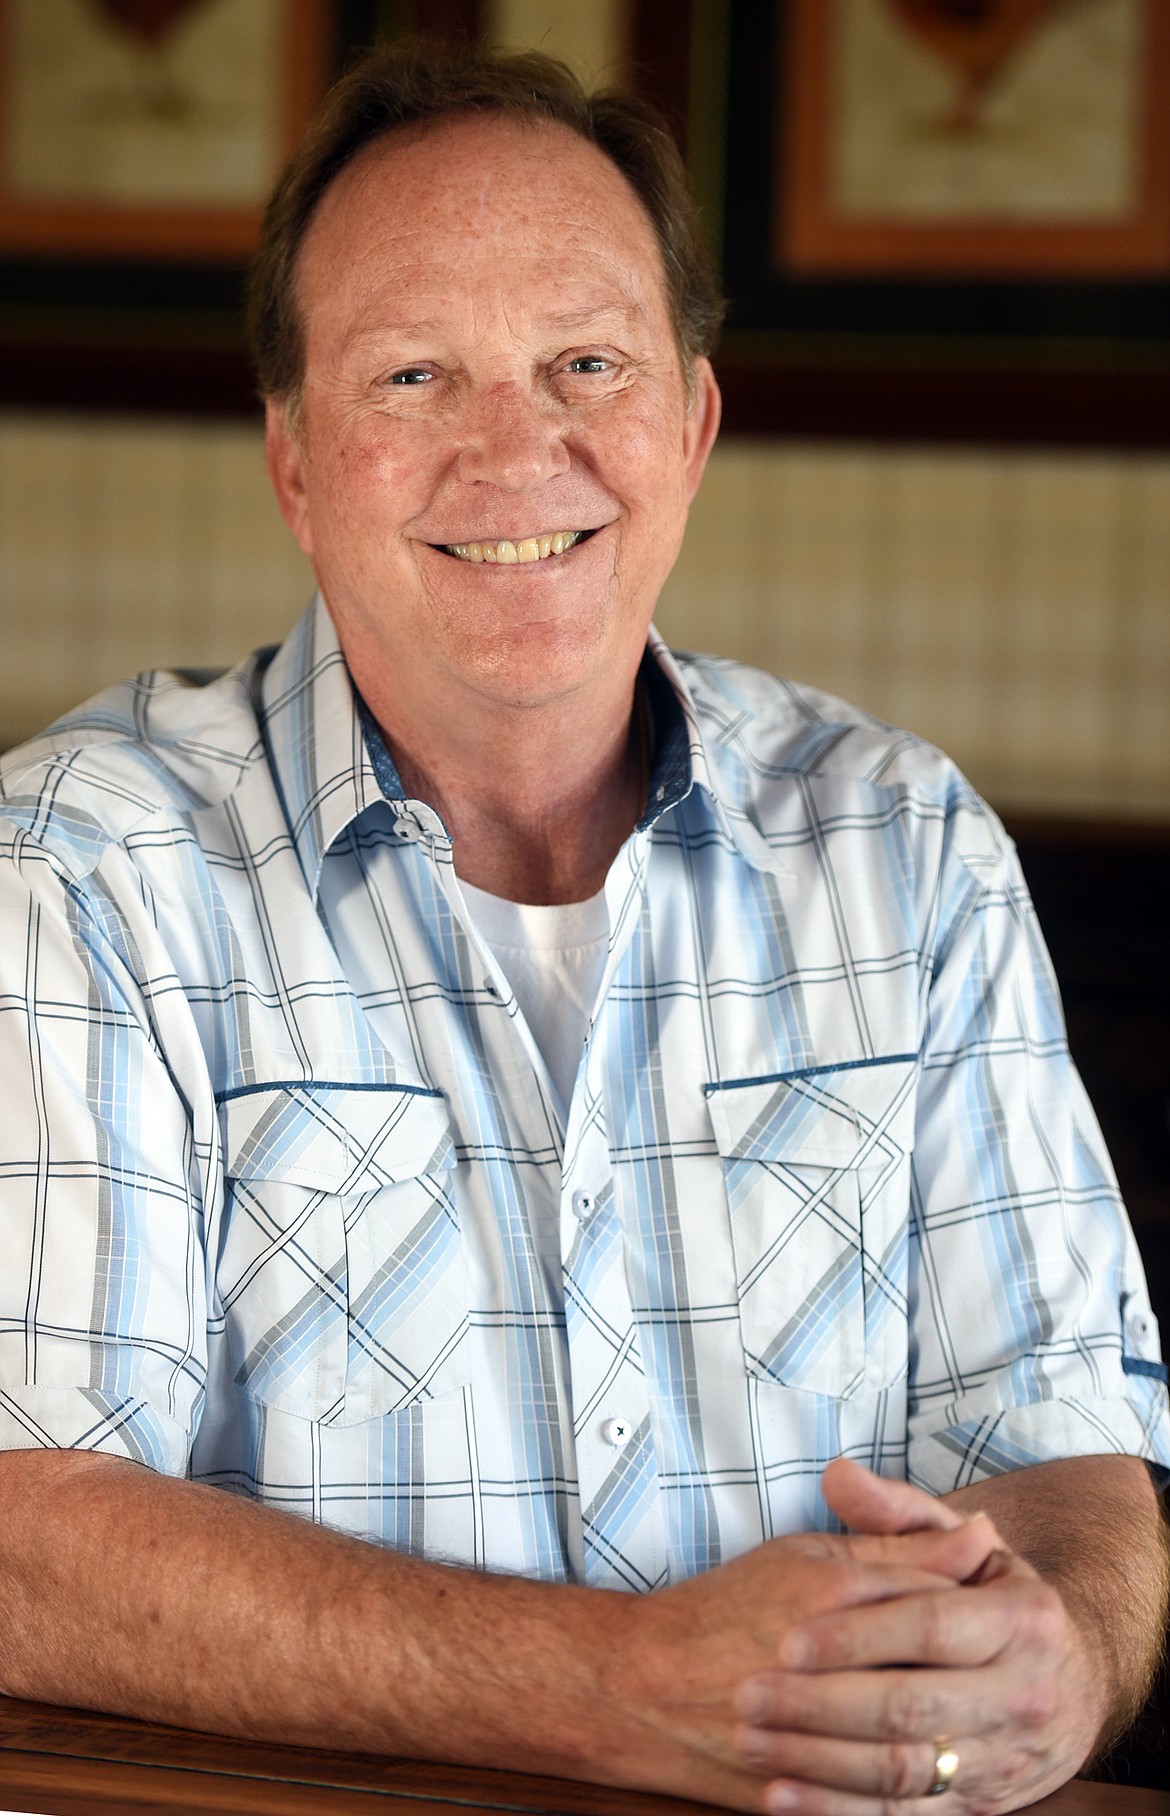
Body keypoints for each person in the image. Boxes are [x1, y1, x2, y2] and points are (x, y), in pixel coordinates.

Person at [0, 41, 1166, 1816]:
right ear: (299, 464)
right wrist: (619, 1692)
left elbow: (1068, 1448)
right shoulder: (83, 863)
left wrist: (1055, 1665)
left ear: (688, 425)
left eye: (586, 364)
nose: (515, 450)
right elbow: (29, 1541)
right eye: (412, 375)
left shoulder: (903, 843)